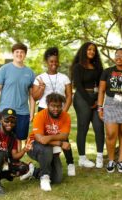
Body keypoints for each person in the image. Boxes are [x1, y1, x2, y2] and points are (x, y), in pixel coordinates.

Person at [32, 47, 75, 176]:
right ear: (47, 62)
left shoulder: (64, 78)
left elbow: (69, 96)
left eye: (56, 61)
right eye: (51, 61)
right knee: (44, 138)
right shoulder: (40, 77)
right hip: (44, 110)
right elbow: (35, 97)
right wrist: (41, 88)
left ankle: (70, 163)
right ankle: (46, 164)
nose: (53, 64)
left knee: (63, 136)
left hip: (59, 111)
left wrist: (64, 112)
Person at [27, 93, 71, 191]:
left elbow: (64, 135)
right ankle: (44, 177)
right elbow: (40, 139)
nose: (56, 109)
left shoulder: (66, 116)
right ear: (47, 105)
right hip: (33, 145)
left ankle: (33, 171)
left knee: (57, 178)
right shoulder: (40, 115)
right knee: (46, 149)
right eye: (53, 106)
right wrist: (59, 143)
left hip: (51, 146)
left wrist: (49, 138)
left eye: (59, 106)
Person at [70, 42, 105, 168]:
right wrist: (90, 102)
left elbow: (101, 84)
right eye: (89, 49)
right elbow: (78, 86)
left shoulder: (97, 67)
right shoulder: (78, 67)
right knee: (83, 128)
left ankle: (100, 156)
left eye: (94, 50)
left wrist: (97, 101)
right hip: (82, 99)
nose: (91, 52)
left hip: (96, 99)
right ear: (84, 51)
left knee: (99, 126)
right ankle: (82, 158)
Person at [0, 43, 35, 145]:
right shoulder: (4, 69)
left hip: (23, 112)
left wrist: (32, 112)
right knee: (3, 139)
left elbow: (31, 95)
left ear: (25, 54)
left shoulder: (30, 72)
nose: (19, 54)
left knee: (18, 140)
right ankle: (3, 160)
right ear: (13, 54)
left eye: (22, 52)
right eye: (17, 52)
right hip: (5, 111)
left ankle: (16, 161)